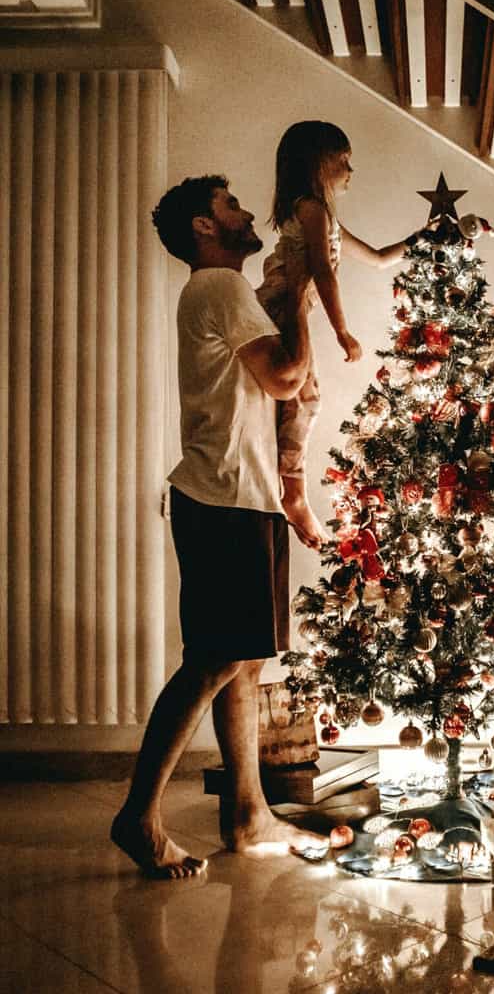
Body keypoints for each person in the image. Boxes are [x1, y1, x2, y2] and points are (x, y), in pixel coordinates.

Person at [111, 175, 328, 879]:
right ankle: (139, 816)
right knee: (213, 657)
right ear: (205, 227)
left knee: (242, 656)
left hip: (245, 495)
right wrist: (299, 288)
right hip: (225, 496)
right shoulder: (220, 288)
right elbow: (288, 377)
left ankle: (247, 813)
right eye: (229, 206)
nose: (241, 214)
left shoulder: (220, 294)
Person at [256, 120, 411, 550]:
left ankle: (289, 489)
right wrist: (343, 332)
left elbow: (380, 259)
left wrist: (424, 237)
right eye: (343, 161)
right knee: (305, 398)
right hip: (277, 311)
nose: (350, 170)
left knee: (298, 401)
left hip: (287, 313)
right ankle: (294, 494)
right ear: (317, 165)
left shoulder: (325, 217)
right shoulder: (311, 209)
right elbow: (321, 271)